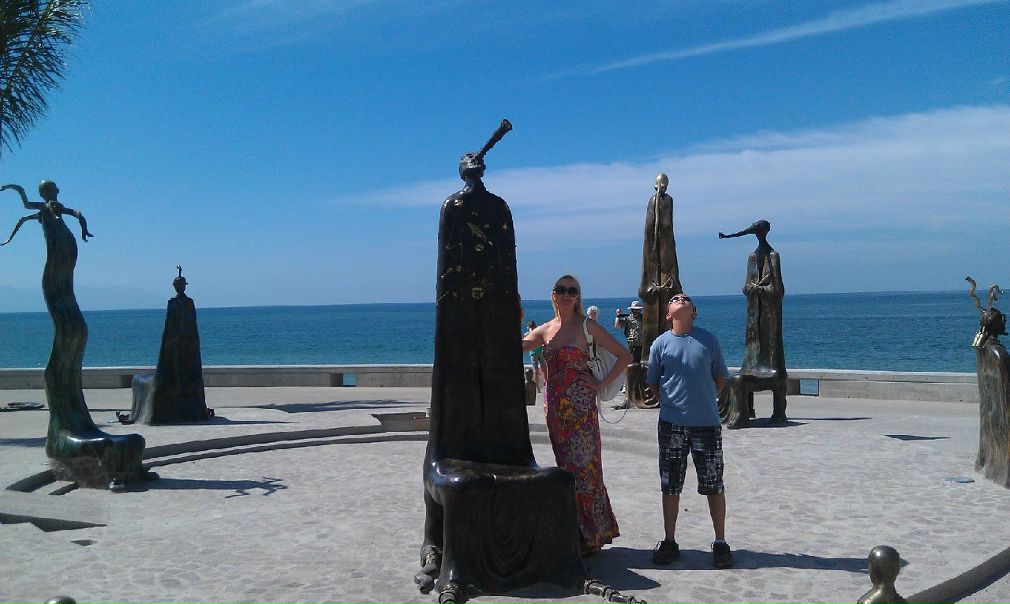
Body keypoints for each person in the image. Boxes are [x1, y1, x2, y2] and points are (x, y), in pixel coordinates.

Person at [523, 274, 631, 555]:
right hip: (555, 411)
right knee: (566, 470)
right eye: (562, 289)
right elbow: (512, 348)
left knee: (585, 470)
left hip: (581, 412)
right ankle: (577, 532)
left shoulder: (587, 326)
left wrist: (599, 385)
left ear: (578, 297)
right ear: (553, 294)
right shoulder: (545, 330)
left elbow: (625, 356)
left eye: (572, 290)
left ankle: (591, 536)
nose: (567, 294)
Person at [645, 294, 733, 568]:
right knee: (670, 484)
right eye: (675, 299)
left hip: (706, 424)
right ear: (668, 314)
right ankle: (669, 541)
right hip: (671, 425)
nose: (680, 299)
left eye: (686, 299)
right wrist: (673, 404)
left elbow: (720, 378)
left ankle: (720, 542)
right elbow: (654, 383)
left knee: (714, 483)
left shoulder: (708, 341)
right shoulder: (660, 344)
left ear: (693, 312)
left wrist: (701, 401)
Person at [525, 320, 545, 392]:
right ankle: (537, 387)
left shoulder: (538, 332)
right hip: (533, 353)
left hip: (540, 352)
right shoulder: (527, 334)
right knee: (536, 371)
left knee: (544, 369)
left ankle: (545, 385)